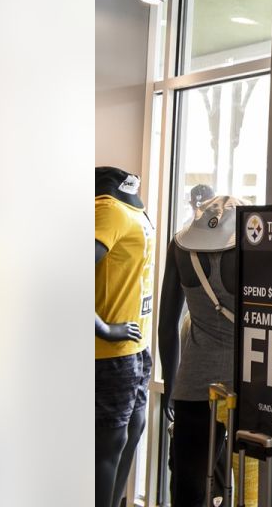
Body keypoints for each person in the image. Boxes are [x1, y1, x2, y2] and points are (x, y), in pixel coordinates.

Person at [158, 195, 258, 506]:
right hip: (246, 384)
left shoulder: (179, 248)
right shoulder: (250, 250)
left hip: (194, 384)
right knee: (247, 490)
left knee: (188, 487)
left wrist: (170, 387)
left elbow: (167, 325)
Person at [95, 166, 156, 507]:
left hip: (136, 350)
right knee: (108, 447)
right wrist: (103, 327)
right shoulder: (108, 208)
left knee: (132, 434)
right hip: (108, 355)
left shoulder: (134, 211)